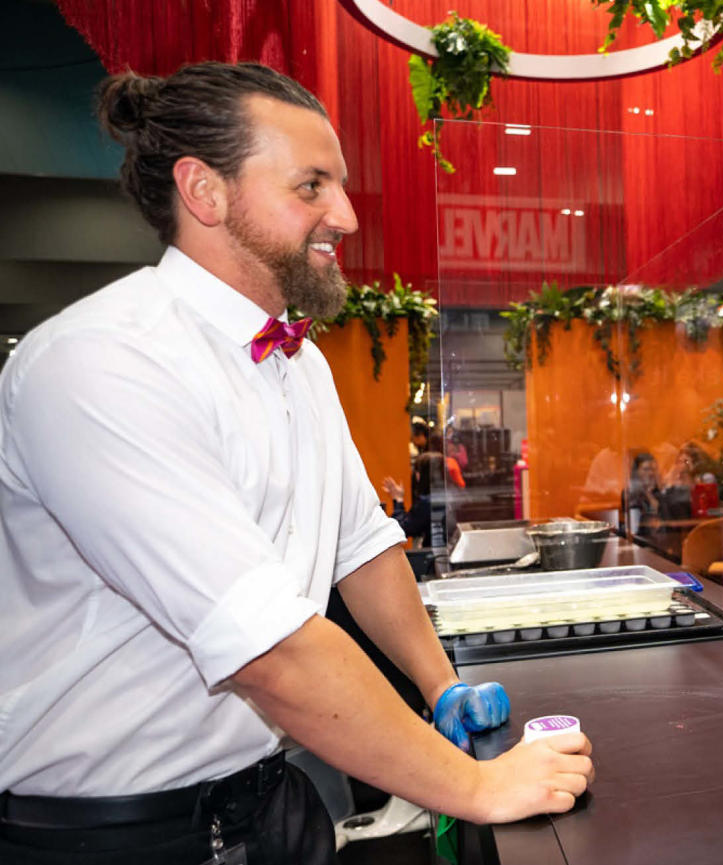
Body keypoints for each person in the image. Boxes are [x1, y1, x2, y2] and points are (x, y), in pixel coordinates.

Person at [0, 63, 592, 865]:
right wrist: (476, 785)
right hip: (116, 833)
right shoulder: (99, 362)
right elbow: (270, 650)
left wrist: (437, 682)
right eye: (311, 185)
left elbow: (362, 546)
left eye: (340, 186)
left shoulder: (298, 363)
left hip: (271, 798)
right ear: (204, 191)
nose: (345, 214)